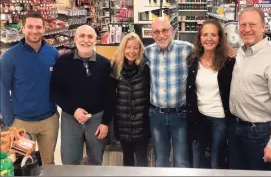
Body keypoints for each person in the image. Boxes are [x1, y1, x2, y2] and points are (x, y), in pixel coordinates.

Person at [229, 7, 271, 171]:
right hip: (236, 128)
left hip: (259, 134)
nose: (247, 29)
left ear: (263, 27)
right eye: (243, 25)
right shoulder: (242, 52)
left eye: (252, 24)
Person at [50, 25, 115, 165]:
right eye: (82, 36)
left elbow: (110, 95)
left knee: (96, 160)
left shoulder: (104, 64)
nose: (86, 40)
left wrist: (105, 122)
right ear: (75, 39)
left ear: (95, 40)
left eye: (90, 36)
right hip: (70, 119)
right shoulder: (63, 62)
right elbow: (56, 91)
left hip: (97, 119)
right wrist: (74, 110)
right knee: (69, 160)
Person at [0, 11, 59, 164]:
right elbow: (3, 88)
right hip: (21, 124)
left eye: (38, 27)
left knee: (48, 164)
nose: (34, 30)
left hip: (49, 122)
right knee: (23, 165)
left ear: (44, 29)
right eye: (30, 26)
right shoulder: (10, 56)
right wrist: (9, 121)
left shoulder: (53, 54)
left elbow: (60, 84)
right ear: (23, 28)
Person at [186, 19, 235, 169]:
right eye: (205, 34)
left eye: (213, 35)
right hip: (198, 117)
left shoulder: (228, 62)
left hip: (220, 119)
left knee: (216, 162)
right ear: (199, 38)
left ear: (219, 38)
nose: (209, 39)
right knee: (197, 160)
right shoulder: (193, 60)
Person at [144, 18, 193, 167]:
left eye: (165, 30)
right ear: (152, 34)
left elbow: (209, 53)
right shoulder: (148, 51)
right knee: (160, 160)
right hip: (156, 115)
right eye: (156, 32)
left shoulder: (187, 49)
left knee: (181, 160)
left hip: (180, 114)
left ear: (172, 31)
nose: (161, 35)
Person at [111, 33, 150, 167]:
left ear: (140, 50)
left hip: (141, 125)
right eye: (128, 47)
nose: (131, 51)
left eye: (135, 48)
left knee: (141, 159)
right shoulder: (115, 68)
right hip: (123, 124)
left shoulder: (145, 68)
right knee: (127, 160)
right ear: (123, 48)